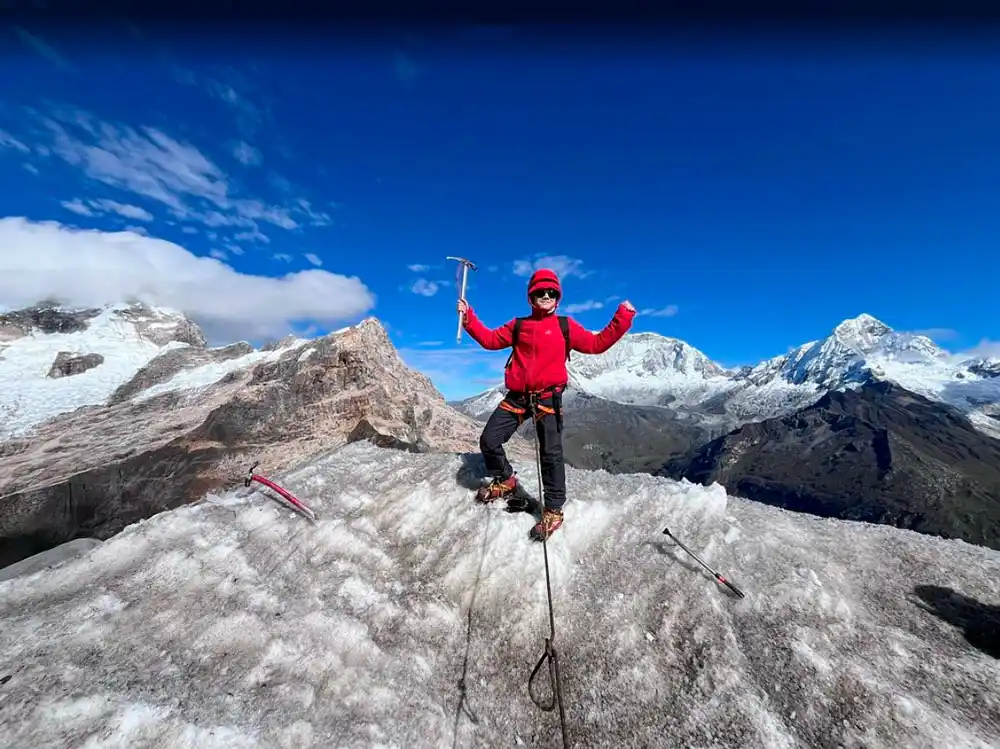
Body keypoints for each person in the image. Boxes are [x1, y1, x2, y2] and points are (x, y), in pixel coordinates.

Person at [458, 267, 636, 540]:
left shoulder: (566, 326)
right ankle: (506, 480)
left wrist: (622, 318)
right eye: (540, 292)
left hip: (547, 399)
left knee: (550, 455)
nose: (546, 295)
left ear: (558, 297)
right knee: (489, 439)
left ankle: (553, 509)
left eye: (551, 292)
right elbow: (491, 340)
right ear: (531, 296)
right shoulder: (518, 325)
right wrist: (468, 318)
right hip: (518, 397)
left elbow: (597, 343)